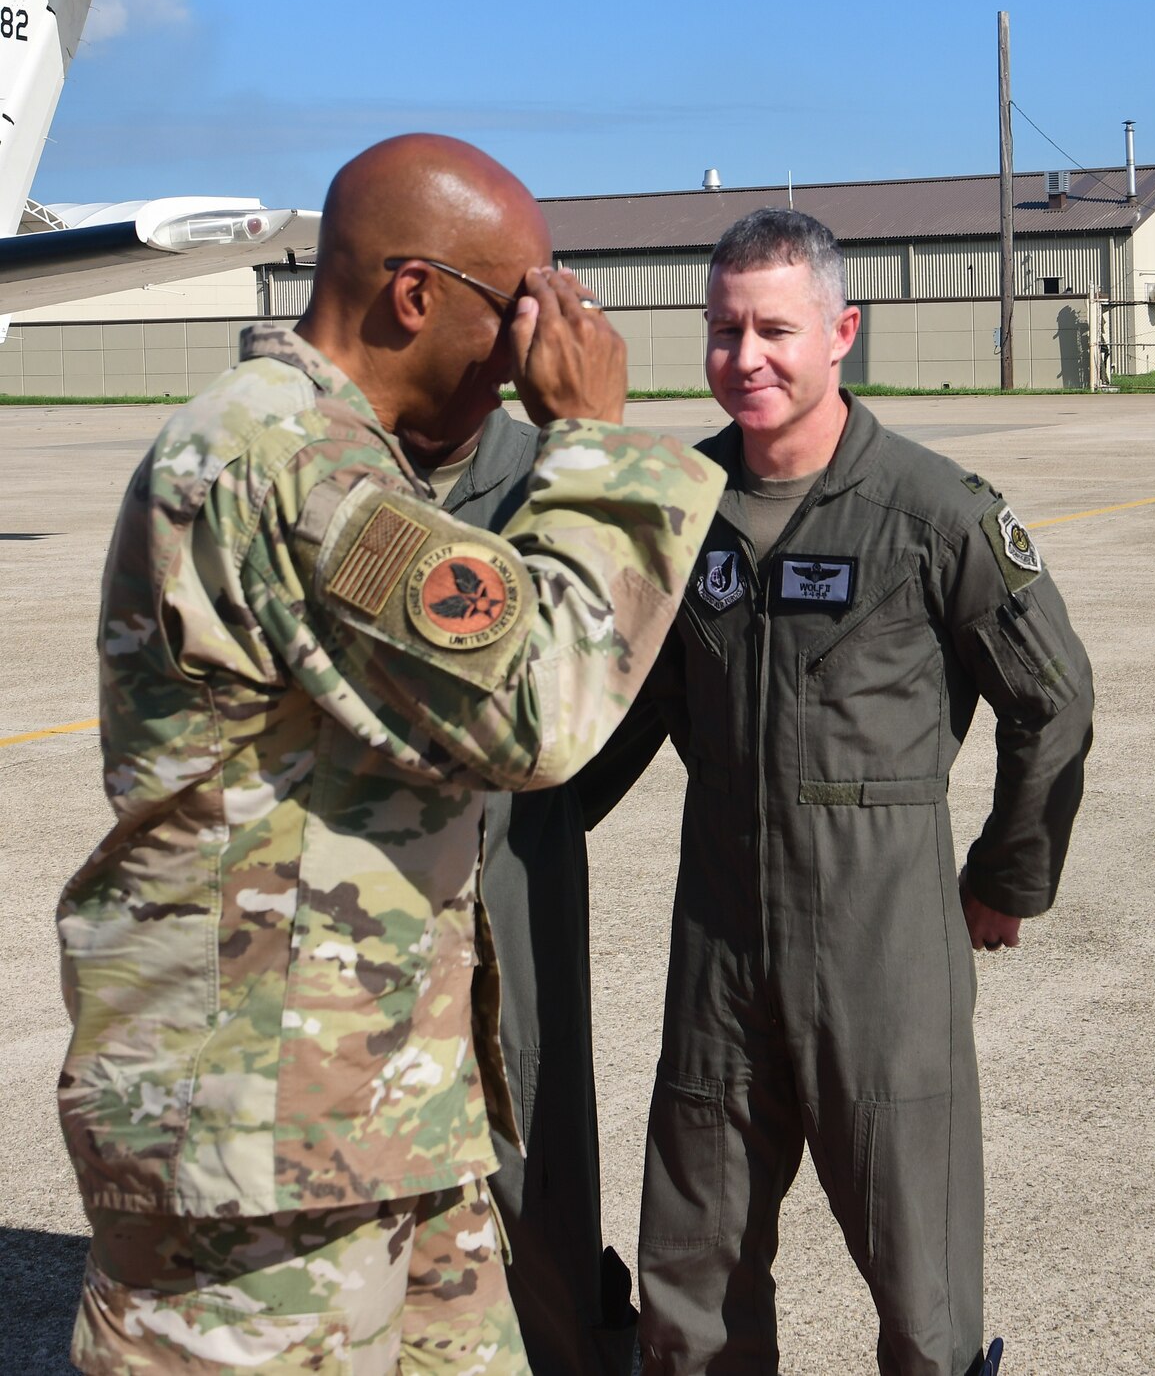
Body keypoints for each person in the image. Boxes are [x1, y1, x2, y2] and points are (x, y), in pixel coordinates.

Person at [56, 134, 723, 1374]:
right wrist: (592, 440)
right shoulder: (284, 459)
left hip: (373, 1118)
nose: (538, 345)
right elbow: (539, 702)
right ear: (414, 294)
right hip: (257, 1156)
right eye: (521, 307)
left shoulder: (345, 457)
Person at [622, 209, 1094, 1376]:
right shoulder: (678, 509)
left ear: (842, 332)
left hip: (881, 947)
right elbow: (614, 710)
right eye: (724, 331)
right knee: (690, 1265)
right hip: (719, 941)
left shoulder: (934, 515)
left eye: (774, 329)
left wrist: (1004, 877)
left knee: (917, 1276)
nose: (748, 358)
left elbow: (1054, 699)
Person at [426, 404, 656, 1373]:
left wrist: (542, 809)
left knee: (537, 1161)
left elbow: (636, 675)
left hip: (514, 859)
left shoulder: (548, 473)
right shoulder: (338, 468)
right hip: (372, 893)